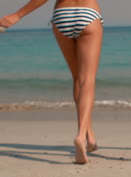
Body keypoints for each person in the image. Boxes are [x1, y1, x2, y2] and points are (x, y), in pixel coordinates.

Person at [0, 0, 103, 164]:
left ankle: (89, 134)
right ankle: (81, 135)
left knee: (77, 78)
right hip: (88, 13)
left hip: (62, 15)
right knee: (87, 79)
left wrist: (18, 14)